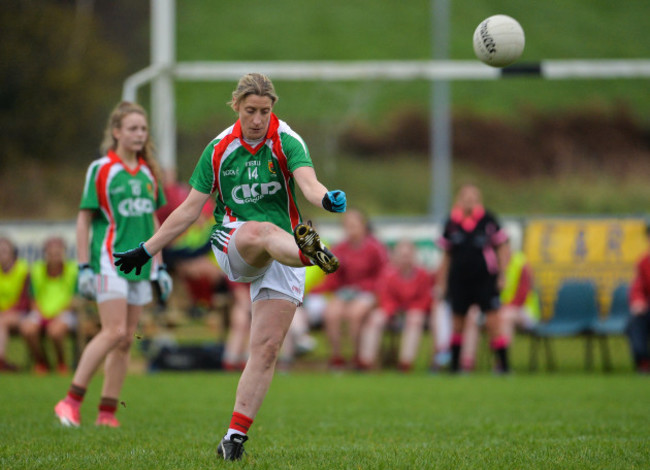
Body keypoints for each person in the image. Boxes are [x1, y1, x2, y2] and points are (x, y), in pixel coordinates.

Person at [112, 73, 346, 460]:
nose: (258, 119)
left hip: (282, 247)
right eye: (250, 110)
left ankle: (233, 439)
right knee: (263, 230)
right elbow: (189, 210)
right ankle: (310, 252)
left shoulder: (286, 140)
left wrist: (327, 200)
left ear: (273, 109)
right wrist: (147, 248)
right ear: (236, 106)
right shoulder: (219, 149)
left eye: (265, 111)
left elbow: (309, 185)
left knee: (267, 348)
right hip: (235, 240)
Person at [54, 101, 171, 428]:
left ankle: (107, 413)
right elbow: (83, 221)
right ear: (116, 132)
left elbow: (153, 223)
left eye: (143, 129)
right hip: (108, 261)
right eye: (132, 128)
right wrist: (83, 266)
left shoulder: (148, 172)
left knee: (125, 339)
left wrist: (159, 267)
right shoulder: (102, 169)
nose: (139, 134)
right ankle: (70, 401)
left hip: (141, 266)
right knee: (114, 330)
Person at [436, 184, 510, 373]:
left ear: (479, 199)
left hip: (484, 280)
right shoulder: (452, 222)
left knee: (493, 323)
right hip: (459, 281)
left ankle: (503, 366)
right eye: (465, 196)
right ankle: (455, 367)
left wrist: (502, 275)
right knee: (457, 323)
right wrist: (442, 282)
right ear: (459, 199)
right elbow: (446, 255)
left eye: (473, 196)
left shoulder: (488, 220)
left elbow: (502, 247)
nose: (469, 200)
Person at [314, 208, 388, 369]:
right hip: (345, 292)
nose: (351, 228)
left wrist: (371, 291)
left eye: (354, 225)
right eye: (347, 225)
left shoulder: (375, 248)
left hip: (369, 292)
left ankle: (357, 356)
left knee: (355, 314)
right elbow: (332, 278)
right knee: (331, 313)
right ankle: (337, 356)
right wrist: (314, 291)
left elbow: (384, 276)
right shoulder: (340, 248)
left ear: (363, 226)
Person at [358, 239, 433, 372]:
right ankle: (366, 361)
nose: (405, 259)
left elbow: (425, 298)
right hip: (392, 311)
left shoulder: (423, 275)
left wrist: (411, 309)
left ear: (414, 256)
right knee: (375, 319)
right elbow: (384, 297)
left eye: (408, 255)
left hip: (414, 312)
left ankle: (405, 362)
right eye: (402, 255)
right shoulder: (388, 275)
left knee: (415, 319)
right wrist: (392, 311)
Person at [21, 237, 78, 374]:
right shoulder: (37, 270)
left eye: (58, 253)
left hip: (64, 312)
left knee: (56, 332)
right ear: (45, 254)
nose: (54, 257)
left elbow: (75, 299)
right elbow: (32, 298)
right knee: (27, 329)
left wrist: (57, 314)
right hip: (41, 311)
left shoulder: (73, 270)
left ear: (64, 253)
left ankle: (61, 363)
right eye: (51, 253)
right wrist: (41, 313)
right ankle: (42, 362)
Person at [0, 236, 30, 371]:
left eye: (4, 251)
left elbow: (25, 301)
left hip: (20, 313)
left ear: (13, 253)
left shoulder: (23, 270)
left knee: (2, 322)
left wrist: (8, 311)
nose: (1, 254)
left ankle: (1, 361)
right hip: (3, 313)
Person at [627, 225, 650, 373]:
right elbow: (638, 286)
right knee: (636, 321)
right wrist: (638, 301)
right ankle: (643, 361)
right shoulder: (644, 262)